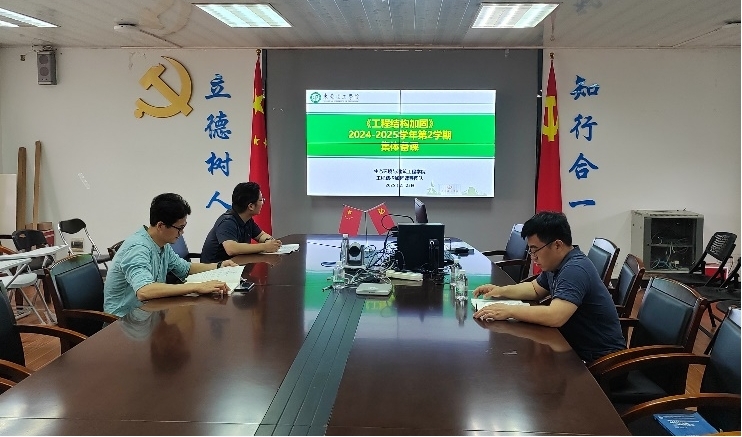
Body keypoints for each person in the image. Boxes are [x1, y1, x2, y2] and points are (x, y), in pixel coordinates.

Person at [472, 211, 625, 363]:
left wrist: (509, 311)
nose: (533, 258)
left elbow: (555, 316)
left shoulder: (574, 269)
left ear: (557, 245)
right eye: (530, 251)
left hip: (601, 361)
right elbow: (534, 289)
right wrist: (500, 290)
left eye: (535, 250)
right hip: (573, 347)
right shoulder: (557, 263)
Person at [103, 193, 238, 317]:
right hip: (123, 322)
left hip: (149, 313)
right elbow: (144, 291)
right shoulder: (138, 248)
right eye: (180, 228)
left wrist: (219, 266)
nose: (182, 233)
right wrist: (198, 287)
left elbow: (185, 268)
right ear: (161, 226)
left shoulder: (162, 244)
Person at [200, 182, 281, 263]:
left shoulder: (247, 219)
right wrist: (265, 247)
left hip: (234, 264)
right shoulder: (227, 222)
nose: (262, 203)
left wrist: (270, 241)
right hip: (216, 268)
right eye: (261, 200)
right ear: (251, 206)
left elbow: (260, 235)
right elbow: (231, 249)